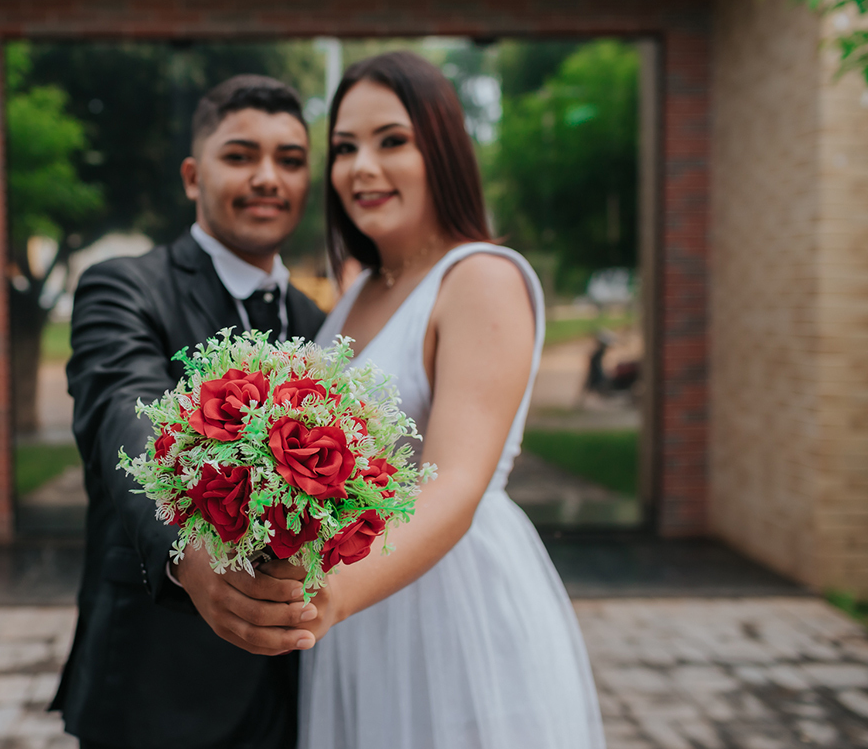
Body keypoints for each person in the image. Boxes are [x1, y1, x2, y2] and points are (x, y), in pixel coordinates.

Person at [284, 52, 607, 748]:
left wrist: (334, 595)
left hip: (453, 603)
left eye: (391, 140)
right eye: (345, 148)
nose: (361, 167)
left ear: (443, 147)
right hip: (357, 614)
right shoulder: (353, 298)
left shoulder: (481, 278)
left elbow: (456, 480)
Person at [48, 75, 327, 749]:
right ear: (191, 177)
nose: (268, 177)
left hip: (300, 690)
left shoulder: (319, 322)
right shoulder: (124, 286)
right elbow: (125, 408)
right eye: (240, 156)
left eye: (289, 160)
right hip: (157, 686)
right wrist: (192, 551)